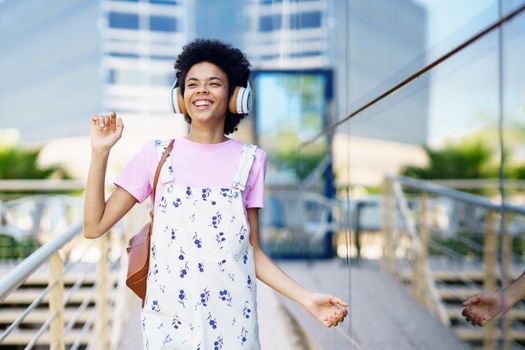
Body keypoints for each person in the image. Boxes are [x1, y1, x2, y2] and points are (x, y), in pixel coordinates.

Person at [83, 38, 349, 350]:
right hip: (169, 322)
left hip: (234, 321)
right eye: (192, 84)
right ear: (180, 98)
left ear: (236, 96)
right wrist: (99, 153)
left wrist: (306, 298)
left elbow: (253, 252)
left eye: (214, 84)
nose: (202, 91)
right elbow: (93, 226)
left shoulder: (251, 160)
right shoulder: (155, 155)